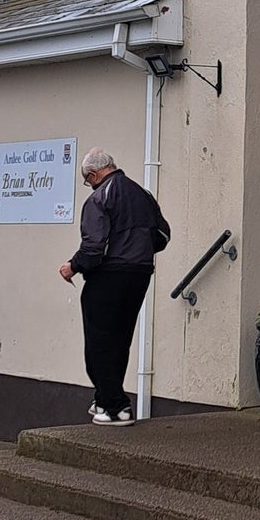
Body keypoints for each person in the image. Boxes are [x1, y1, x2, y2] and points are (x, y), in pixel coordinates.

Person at [59, 147, 170, 424]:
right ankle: (106, 400)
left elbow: (94, 248)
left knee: (98, 342)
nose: (89, 184)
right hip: (140, 273)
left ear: (94, 174)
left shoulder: (99, 198)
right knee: (121, 339)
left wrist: (72, 266)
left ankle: (114, 406)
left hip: (109, 275)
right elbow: (163, 235)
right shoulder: (143, 194)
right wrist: (138, 250)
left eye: (87, 179)